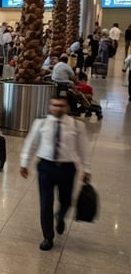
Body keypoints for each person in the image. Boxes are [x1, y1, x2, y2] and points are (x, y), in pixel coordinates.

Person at [19, 94, 91, 251]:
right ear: (49, 106)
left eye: (61, 105)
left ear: (67, 108)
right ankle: (47, 237)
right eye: (54, 105)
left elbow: (83, 149)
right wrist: (24, 163)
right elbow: (31, 143)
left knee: (66, 200)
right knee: (46, 202)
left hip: (67, 168)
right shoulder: (41, 123)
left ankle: (60, 216)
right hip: (46, 167)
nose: (57, 108)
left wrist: (86, 169)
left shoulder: (77, 126)